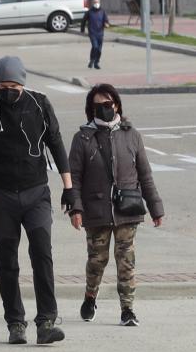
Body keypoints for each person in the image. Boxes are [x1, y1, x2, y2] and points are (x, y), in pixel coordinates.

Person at [0, 56, 76, 345]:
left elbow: (56, 143)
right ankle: (15, 323)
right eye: (2, 85)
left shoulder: (40, 104)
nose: (7, 91)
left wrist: (69, 188)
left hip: (36, 191)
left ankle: (46, 322)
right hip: (1, 194)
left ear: (23, 83)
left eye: (13, 85)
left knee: (42, 254)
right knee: (7, 259)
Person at [68, 84, 164, 327]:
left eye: (107, 104)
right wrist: (76, 209)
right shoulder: (82, 138)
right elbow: (74, 179)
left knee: (126, 261)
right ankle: (91, 296)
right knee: (97, 261)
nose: (104, 109)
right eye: (98, 106)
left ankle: (127, 309)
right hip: (96, 211)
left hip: (127, 209)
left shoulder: (131, 134)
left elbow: (145, 174)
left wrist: (155, 208)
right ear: (91, 109)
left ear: (117, 105)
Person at [84, 0, 109, 70]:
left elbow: (106, 20)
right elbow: (84, 20)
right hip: (92, 32)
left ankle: (96, 63)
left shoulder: (102, 11)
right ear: (93, 3)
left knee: (99, 50)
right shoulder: (90, 11)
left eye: (97, 2)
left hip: (100, 33)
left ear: (99, 3)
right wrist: (82, 30)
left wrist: (106, 24)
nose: (96, 3)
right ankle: (92, 60)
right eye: (95, 2)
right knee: (95, 47)